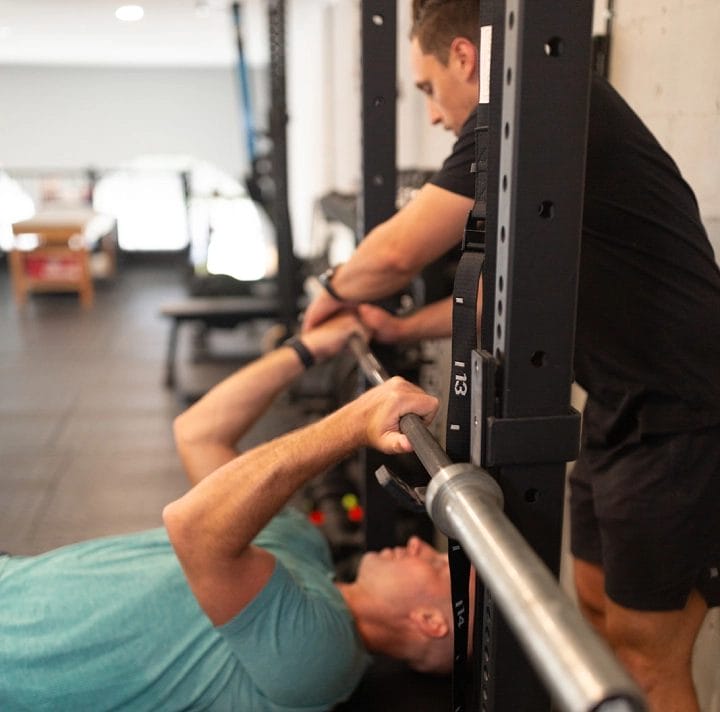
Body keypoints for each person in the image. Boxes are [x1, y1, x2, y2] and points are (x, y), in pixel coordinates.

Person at [302, 2, 720, 710]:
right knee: (592, 614)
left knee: (648, 658)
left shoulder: (520, 117)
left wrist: (324, 300)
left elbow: (398, 253)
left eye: (429, 87)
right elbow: (502, 286)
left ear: (465, 57)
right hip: (618, 410)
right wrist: (397, 333)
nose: (433, 115)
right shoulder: (531, 128)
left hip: (683, 415)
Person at [0, 313, 454, 712]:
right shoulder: (304, 548)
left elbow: (194, 528)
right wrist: (308, 348)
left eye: (437, 564)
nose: (419, 544)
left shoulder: (323, 659)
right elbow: (199, 432)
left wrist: (355, 424)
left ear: (430, 622)